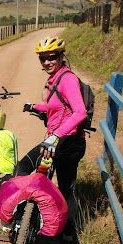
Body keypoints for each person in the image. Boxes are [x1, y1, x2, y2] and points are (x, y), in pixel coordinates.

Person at [18, 36, 87, 231]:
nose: (47, 62)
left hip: (67, 141)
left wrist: (55, 136)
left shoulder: (68, 79)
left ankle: (22, 218)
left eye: (52, 57)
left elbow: (80, 112)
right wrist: (34, 106)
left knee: (23, 166)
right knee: (65, 188)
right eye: (43, 58)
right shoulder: (56, 78)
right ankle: (64, 232)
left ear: (61, 56)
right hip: (62, 140)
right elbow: (54, 106)